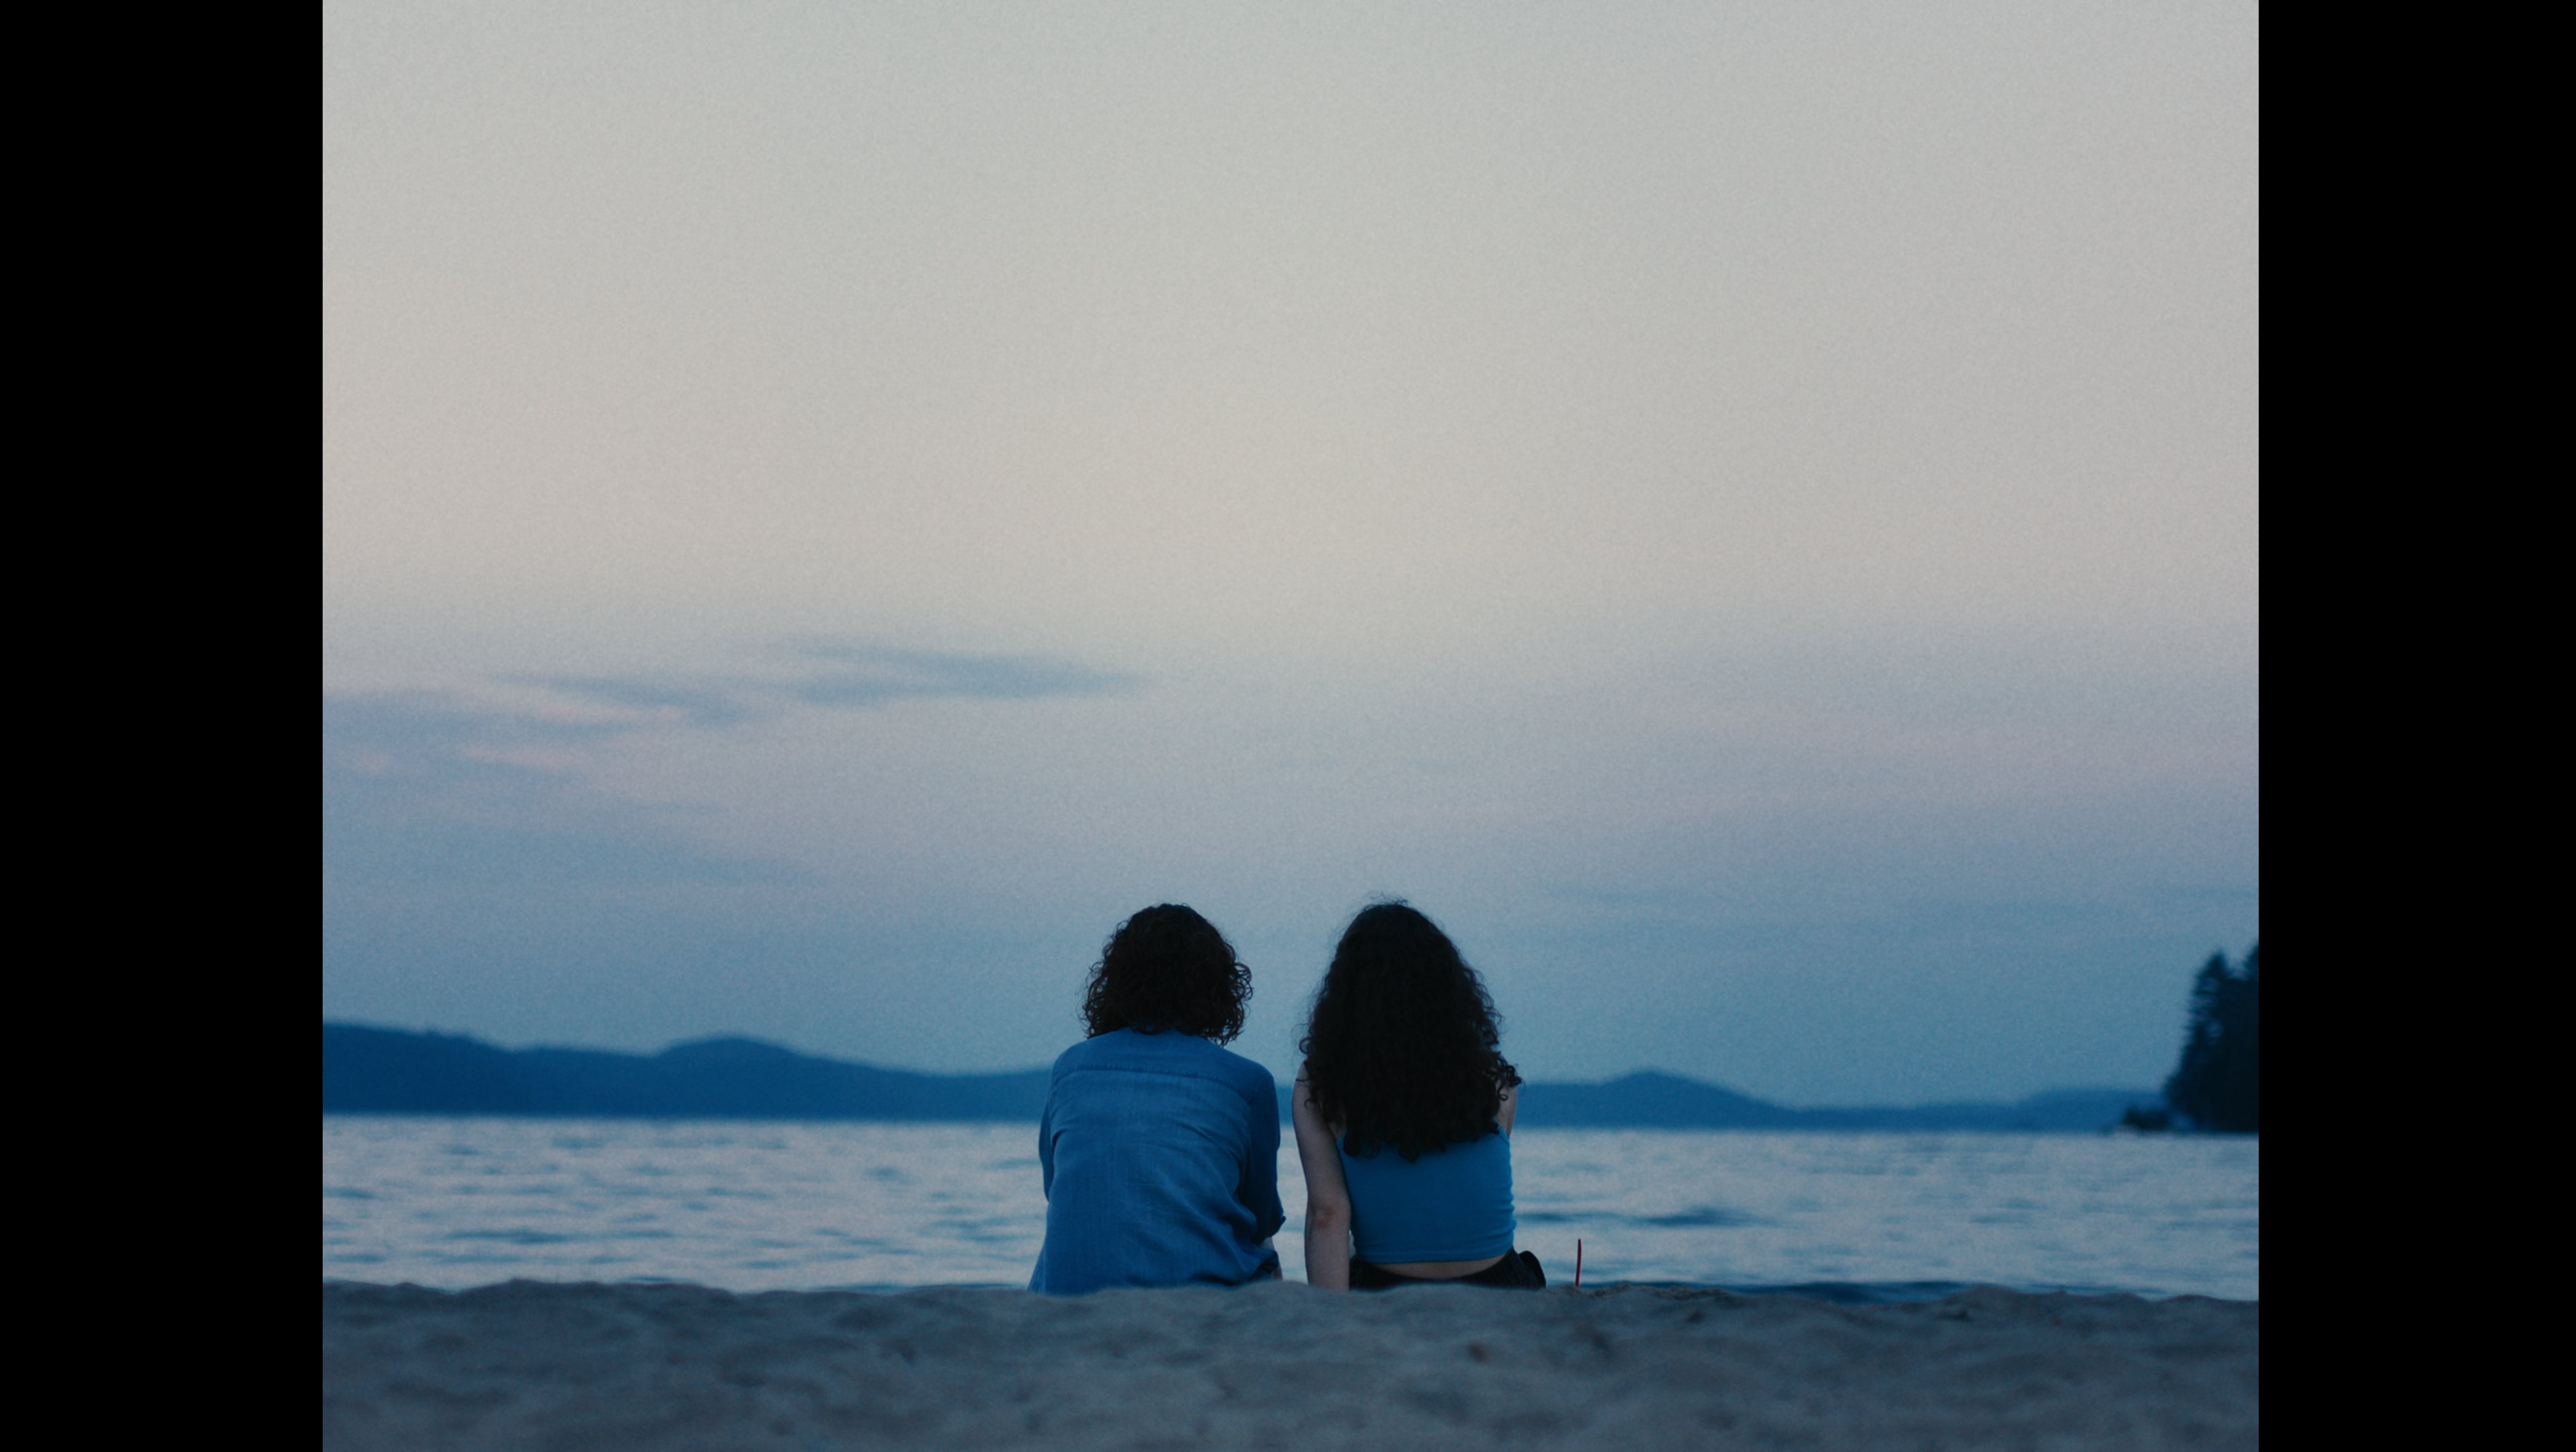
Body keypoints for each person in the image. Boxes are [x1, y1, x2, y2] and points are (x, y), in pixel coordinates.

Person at [1029, 905, 1285, 1294]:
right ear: (1217, 987)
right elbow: (1261, 1217)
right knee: (1263, 1252)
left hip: (1067, 1301)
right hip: (1197, 1300)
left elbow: (1057, 1190)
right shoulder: (1246, 1082)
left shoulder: (1071, 1069)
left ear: (1116, 981)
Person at [1293, 901, 1544, 1291]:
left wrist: (1332, 1318)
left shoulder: (1322, 1081)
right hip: (1499, 1286)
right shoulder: (1494, 1081)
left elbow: (1327, 1215)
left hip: (1385, 1286)